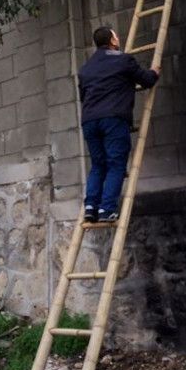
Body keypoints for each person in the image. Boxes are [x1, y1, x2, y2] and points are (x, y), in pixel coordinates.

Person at [78, 27, 160, 223]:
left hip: (89, 120)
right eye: (116, 34)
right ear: (112, 41)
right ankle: (107, 210)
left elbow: (83, 97)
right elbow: (146, 80)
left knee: (98, 165)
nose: (119, 37)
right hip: (113, 118)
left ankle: (90, 207)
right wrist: (154, 72)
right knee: (116, 164)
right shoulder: (123, 60)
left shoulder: (85, 69)